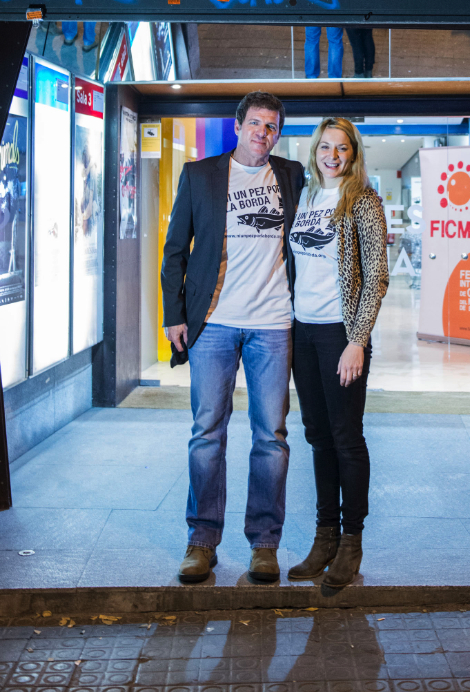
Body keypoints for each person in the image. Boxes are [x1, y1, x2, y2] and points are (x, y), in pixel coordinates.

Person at [161, 91, 305, 585]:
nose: (263, 134)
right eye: (256, 124)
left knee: (271, 438)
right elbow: (175, 248)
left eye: (272, 127)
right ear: (238, 125)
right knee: (207, 434)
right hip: (214, 324)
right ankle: (202, 541)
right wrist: (173, 314)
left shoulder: (292, 176)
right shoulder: (200, 175)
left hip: (273, 324)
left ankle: (265, 544)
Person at [287, 118, 388, 588]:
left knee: (347, 438)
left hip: (339, 334)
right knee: (317, 437)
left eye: (341, 148)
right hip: (302, 333)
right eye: (324, 146)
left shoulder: (362, 202)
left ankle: (351, 542)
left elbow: (377, 277)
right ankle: (324, 536)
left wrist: (356, 340)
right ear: (315, 150)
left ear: (353, 153)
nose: (332, 155)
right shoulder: (304, 196)